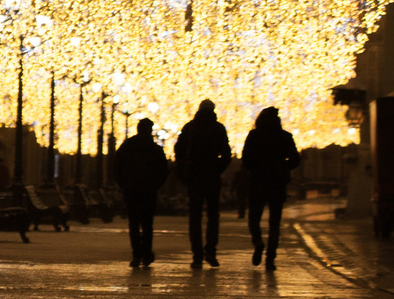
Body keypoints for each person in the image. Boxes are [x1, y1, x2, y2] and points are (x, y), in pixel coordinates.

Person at [172, 98, 233, 267]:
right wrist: (217, 168)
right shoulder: (218, 128)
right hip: (212, 177)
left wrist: (185, 166)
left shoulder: (190, 128)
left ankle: (197, 255)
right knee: (213, 216)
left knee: (195, 217)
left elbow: (179, 150)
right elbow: (226, 153)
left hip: (195, 177)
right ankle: (210, 251)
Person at [240, 106, 300, 270]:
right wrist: (283, 167)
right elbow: (295, 159)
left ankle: (258, 242)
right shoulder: (285, 137)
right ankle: (270, 258)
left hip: (258, 182)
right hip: (277, 183)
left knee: (254, 218)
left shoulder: (254, 136)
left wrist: (256, 168)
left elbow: (245, 158)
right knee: (275, 222)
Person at [111, 117, 170, 268]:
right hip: (148, 190)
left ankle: (137, 254)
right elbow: (164, 170)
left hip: (131, 190)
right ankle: (146, 253)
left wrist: (123, 183)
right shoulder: (155, 149)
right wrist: (156, 184)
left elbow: (116, 165)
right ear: (150, 130)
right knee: (147, 223)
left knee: (134, 223)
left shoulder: (128, 146)